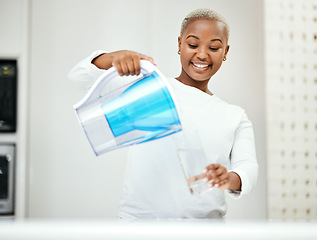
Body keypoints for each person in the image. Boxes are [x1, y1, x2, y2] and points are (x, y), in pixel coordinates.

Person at [68, 8, 258, 220]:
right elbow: (77, 78)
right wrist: (111, 58)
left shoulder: (234, 116)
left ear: (226, 51)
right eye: (193, 45)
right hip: (141, 226)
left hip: (205, 228)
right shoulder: (150, 88)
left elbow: (248, 166)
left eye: (214, 47)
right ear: (179, 44)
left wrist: (230, 179)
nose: (202, 54)